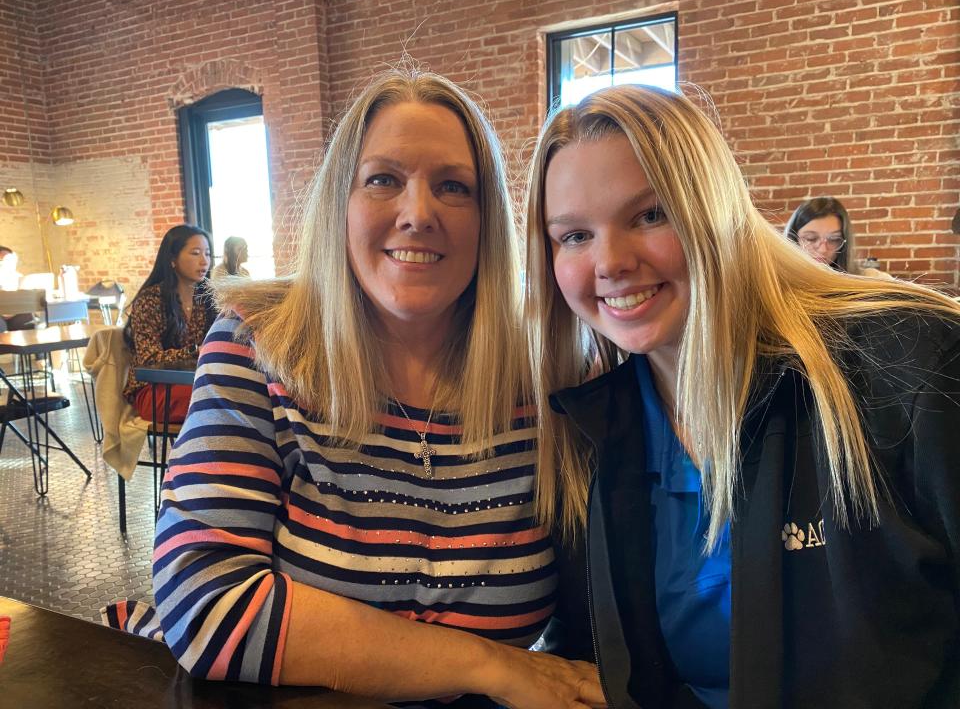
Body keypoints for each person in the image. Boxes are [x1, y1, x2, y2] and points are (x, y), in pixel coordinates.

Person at [152, 69, 602, 709]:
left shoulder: (547, 372)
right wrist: (488, 666)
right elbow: (205, 605)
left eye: (453, 187)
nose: (418, 214)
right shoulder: (259, 344)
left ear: (489, 221)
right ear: (341, 201)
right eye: (384, 179)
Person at [523, 84, 960, 708]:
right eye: (573, 236)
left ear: (716, 212)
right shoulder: (591, 426)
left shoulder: (910, 362)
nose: (610, 262)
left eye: (650, 216)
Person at [123, 224, 216, 423]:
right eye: (195, 253)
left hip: (196, 382)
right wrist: (195, 350)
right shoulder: (151, 299)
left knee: (240, 391)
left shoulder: (207, 298)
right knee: (216, 400)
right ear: (173, 259)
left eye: (207, 254)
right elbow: (150, 359)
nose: (204, 261)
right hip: (154, 389)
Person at [783, 196, 891, 277]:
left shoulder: (867, 277)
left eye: (834, 239)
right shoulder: (776, 282)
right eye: (811, 238)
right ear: (793, 238)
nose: (823, 249)